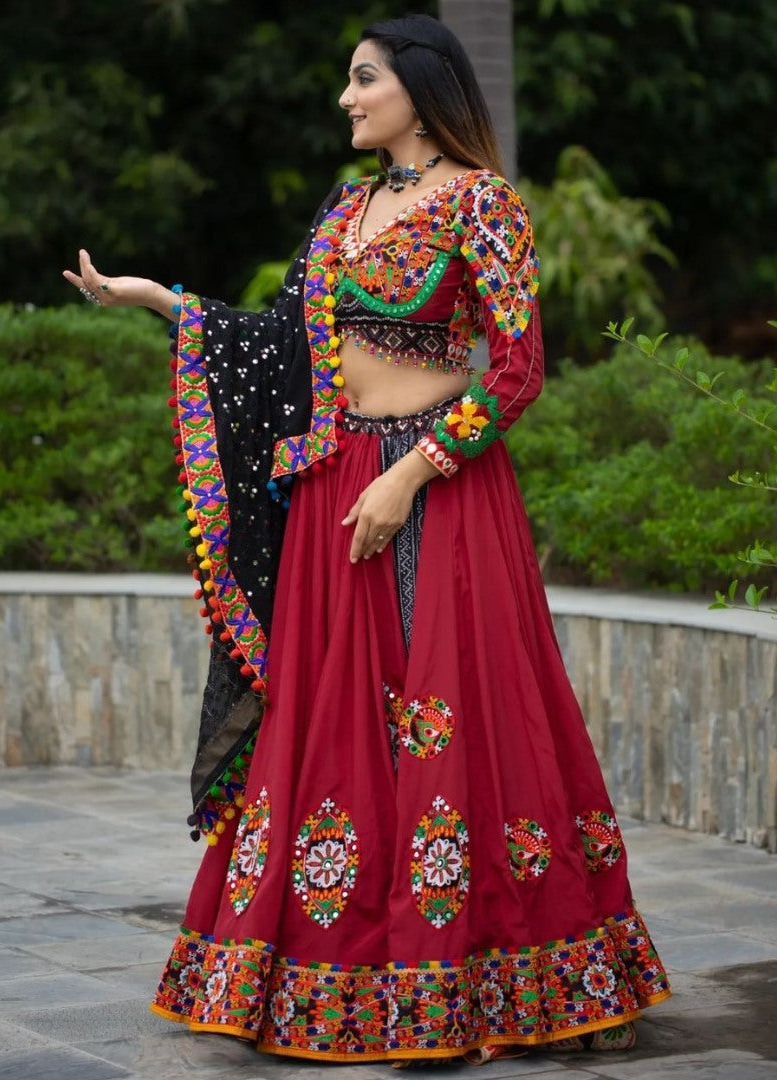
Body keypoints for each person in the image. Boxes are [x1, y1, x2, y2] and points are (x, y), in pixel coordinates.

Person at [64, 13, 670, 1065]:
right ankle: (339, 978)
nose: (345, 100)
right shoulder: (346, 209)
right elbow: (278, 348)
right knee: (336, 726)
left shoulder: (483, 205)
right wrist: (160, 300)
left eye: (362, 80)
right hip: (337, 484)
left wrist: (412, 470)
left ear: (418, 91)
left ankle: (490, 984)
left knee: (453, 721)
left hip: (438, 490)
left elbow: (516, 376)